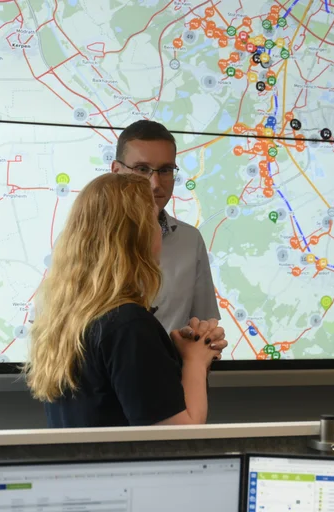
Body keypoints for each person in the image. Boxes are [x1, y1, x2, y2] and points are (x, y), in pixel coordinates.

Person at [24, 172, 226, 427]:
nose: (160, 230)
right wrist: (195, 361)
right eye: (154, 220)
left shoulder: (69, 317)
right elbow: (180, 435)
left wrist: (173, 356)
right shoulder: (128, 326)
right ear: (135, 237)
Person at [111, 120, 222, 334]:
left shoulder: (190, 240)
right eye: (142, 169)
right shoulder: (84, 240)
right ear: (116, 171)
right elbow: (56, 329)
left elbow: (204, 327)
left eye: (165, 170)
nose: (155, 184)